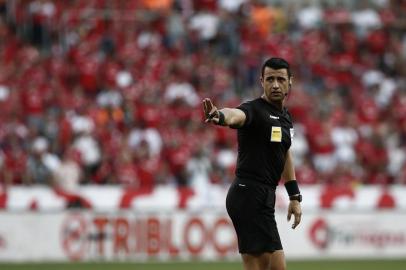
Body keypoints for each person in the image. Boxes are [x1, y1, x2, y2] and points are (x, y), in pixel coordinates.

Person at [203, 57, 302, 270]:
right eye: (270, 79)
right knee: (259, 266)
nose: (275, 84)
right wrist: (220, 116)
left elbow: (284, 153)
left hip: (263, 196)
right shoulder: (254, 110)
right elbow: (235, 115)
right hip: (248, 195)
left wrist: (294, 196)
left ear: (290, 82)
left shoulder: (285, 117)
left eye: (280, 79)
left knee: (277, 268)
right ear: (261, 81)